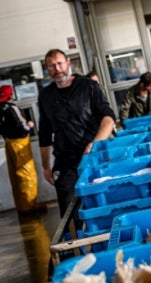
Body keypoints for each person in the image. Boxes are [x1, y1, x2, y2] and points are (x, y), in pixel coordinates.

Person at [38, 49, 116, 218]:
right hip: (65, 162)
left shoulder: (87, 86)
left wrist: (94, 144)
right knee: (70, 213)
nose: (57, 69)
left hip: (93, 157)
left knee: (102, 205)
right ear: (47, 70)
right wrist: (45, 167)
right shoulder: (45, 96)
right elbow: (44, 134)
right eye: (51, 66)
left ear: (68, 63)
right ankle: (76, 243)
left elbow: (109, 118)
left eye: (59, 63)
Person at [0, 85, 46, 215]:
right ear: (11, 95)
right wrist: (30, 126)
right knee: (27, 175)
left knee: (15, 176)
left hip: (8, 143)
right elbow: (22, 126)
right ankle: (29, 206)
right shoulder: (12, 108)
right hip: (20, 143)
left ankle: (21, 206)